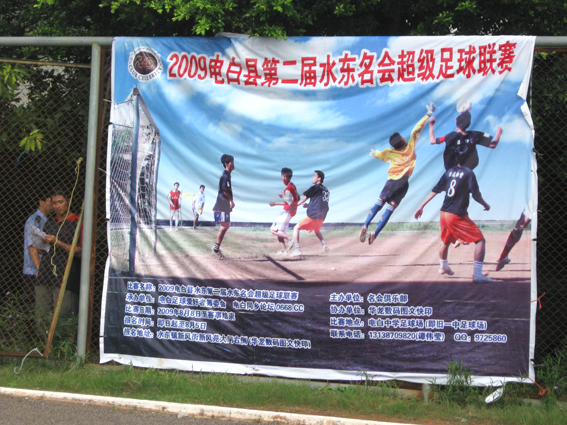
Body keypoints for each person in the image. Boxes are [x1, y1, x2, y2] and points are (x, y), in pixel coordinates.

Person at [360, 102, 436, 245]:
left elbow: (380, 154)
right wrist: (428, 114)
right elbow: (417, 128)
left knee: (379, 203)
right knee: (389, 210)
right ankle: (375, 233)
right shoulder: (410, 146)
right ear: (402, 140)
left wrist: (374, 153)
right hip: (403, 183)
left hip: (391, 182)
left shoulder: (390, 152)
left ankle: (365, 224)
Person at [414, 145, 493, 283]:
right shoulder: (469, 173)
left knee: (446, 241)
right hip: (456, 214)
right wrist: (485, 204)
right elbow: (476, 195)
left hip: (444, 212)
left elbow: (435, 190)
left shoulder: (449, 172)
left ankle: (443, 266)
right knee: (480, 241)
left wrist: (421, 206)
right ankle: (478, 275)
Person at [36, 189, 83, 324]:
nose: (57, 206)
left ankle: (64, 339)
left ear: (68, 201)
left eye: (60, 202)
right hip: (45, 274)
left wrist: (57, 242)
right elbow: (41, 250)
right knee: (42, 314)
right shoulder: (50, 223)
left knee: (64, 315)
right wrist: (42, 243)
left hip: (65, 276)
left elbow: (79, 251)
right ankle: (43, 338)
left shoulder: (77, 222)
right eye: (54, 203)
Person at [429, 108, 503, 171]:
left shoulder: (450, 136)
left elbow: (432, 141)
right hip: (466, 172)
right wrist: (498, 134)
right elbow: (492, 145)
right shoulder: (474, 135)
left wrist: (431, 125)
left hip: (452, 173)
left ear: (457, 124)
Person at [288, 170, 329, 257]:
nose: (312, 178)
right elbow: (320, 202)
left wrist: (293, 206)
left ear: (319, 178)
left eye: (314, 176)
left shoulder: (314, 188)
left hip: (313, 215)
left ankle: (297, 250)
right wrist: (309, 205)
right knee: (316, 229)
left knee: (296, 228)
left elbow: (303, 199)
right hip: (322, 216)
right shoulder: (326, 190)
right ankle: (324, 244)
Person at [23, 194, 53, 305]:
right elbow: (32, 246)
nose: (53, 205)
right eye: (50, 202)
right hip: (34, 271)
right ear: (41, 202)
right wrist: (39, 269)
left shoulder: (46, 220)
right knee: (33, 304)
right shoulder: (34, 220)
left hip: (43, 269)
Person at [269, 168, 299, 255]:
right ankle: (283, 251)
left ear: (284, 176)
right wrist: (284, 196)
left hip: (286, 211)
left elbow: (287, 203)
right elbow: (296, 198)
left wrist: (275, 204)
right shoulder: (292, 185)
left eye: (282, 176)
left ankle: (290, 239)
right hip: (290, 212)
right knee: (279, 231)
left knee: (273, 230)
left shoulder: (288, 188)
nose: (281, 178)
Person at [212, 154, 235, 260]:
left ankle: (216, 248)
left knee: (226, 225)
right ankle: (216, 248)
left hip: (224, 205)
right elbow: (224, 189)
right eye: (231, 162)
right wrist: (230, 200)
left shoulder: (227, 175)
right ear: (226, 164)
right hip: (222, 205)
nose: (233, 164)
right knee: (224, 226)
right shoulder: (225, 175)